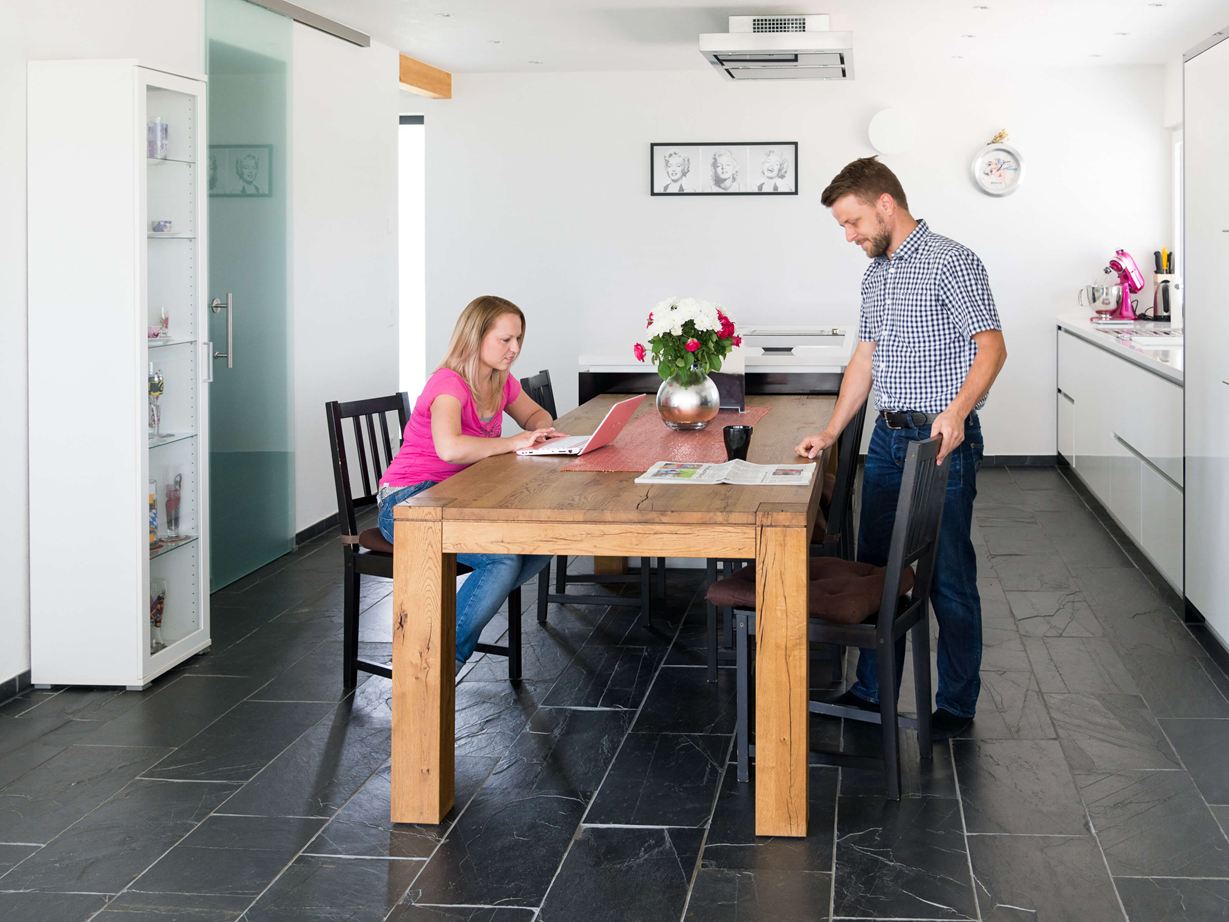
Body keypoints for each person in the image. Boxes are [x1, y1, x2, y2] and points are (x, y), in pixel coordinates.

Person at [795, 156, 1007, 740]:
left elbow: (991, 348)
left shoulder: (952, 263)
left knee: (947, 577)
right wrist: (834, 432)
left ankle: (957, 704)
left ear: (885, 203)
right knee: (876, 570)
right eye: (842, 225)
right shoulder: (877, 273)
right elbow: (864, 359)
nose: (849, 235)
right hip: (887, 440)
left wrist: (957, 413)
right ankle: (869, 691)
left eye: (853, 221)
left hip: (940, 444)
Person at [377, 295, 557, 674]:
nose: (515, 349)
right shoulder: (448, 384)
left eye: (518, 339)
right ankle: (435, 661)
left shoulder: (500, 381)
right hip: (409, 503)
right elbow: (450, 448)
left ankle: (436, 639)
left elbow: (536, 414)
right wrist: (513, 442)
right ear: (475, 338)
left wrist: (541, 428)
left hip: (458, 497)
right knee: (502, 559)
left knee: (543, 542)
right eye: (505, 340)